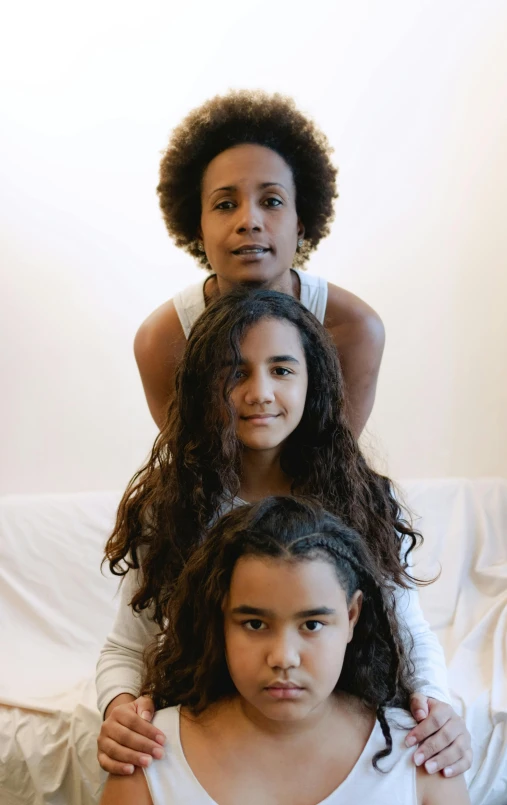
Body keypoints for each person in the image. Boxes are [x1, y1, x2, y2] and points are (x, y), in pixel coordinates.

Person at [97, 288, 471, 779]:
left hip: (333, 723)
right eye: (235, 373)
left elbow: (410, 629)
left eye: (282, 370)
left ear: (312, 382)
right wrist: (119, 708)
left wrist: (436, 704)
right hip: (209, 720)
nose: (260, 393)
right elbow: (126, 646)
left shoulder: (361, 500)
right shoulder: (171, 508)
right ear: (202, 388)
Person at [99, 497, 470, 805]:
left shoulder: (422, 756)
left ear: (352, 615)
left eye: (311, 625)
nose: (283, 657)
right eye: (255, 624)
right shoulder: (147, 758)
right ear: (220, 617)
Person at [134, 89, 384, 439]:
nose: (249, 221)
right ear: (198, 228)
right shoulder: (163, 340)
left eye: (271, 200)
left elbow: (336, 468)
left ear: (300, 222)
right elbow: (190, 474)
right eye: (224, 205)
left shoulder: (352, 328)